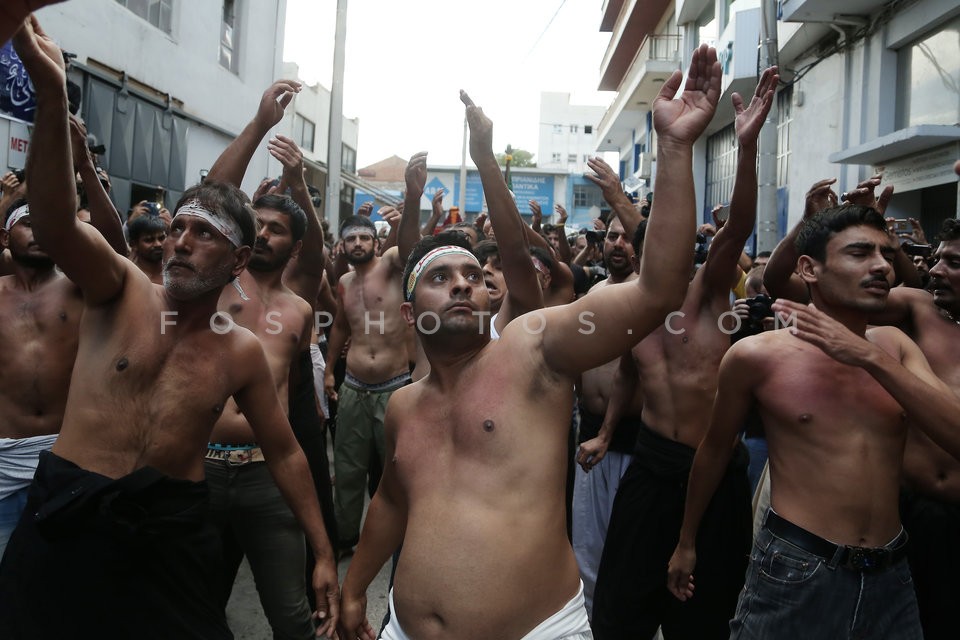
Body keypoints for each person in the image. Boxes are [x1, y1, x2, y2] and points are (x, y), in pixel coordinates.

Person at [337, 45, 722, 640]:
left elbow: (658, 288)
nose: (464, 283)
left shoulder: (533, 348)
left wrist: (673, 149)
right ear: (411, 315)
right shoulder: (403, 405)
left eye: (471, 274)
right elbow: (390, 500)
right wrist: (356, 585)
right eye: (441, 277)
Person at [0, 17, 339, 639]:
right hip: (70, 506)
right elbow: (53, 223)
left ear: (238, 260)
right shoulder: (121, 289)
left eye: (204, 234)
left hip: (169, 526)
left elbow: (287, 449)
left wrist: (321, 549)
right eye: (178, 228)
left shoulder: (239, 352)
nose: (181, 241)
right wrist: (53, 101)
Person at [667, 203, 960, 639]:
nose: (882, 266)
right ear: (809, 269)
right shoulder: (756, 356)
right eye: (860, 253)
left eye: (885, 253)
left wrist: (869, 357)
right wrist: (686, 541)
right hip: (795, 571)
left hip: (892, 575)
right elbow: (714, 449)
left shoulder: (894, 346)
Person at [590, 66, 777, 640]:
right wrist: (605, 432)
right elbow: (627, 375)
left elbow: (738, 225)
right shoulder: (630, 312)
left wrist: (745, 149)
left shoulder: (708, 293)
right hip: (650, 468)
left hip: (713, 477)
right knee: (620, 609)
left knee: (706, 615)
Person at [195, 77, 335, 638]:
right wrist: (258, 126)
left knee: (292, 616)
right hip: (199, 466)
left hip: (266, 475)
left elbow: (320, 249)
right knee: (193, 605)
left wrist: (299, 181)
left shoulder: (298, 306)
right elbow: (210, 200)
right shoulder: (215, 284)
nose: (267, 233)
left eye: (280, 229)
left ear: (294, 247)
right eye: (260, 224)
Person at [324, 155, 420, 554]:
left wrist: (412, 197)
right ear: (343, 246)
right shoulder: (344, 281)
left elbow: (413, 245)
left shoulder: (394, 264)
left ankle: (403, 537)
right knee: (346, 469)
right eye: (352, 239)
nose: (359, 244)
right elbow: (342, 328)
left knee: (397, 469)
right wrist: (329, 371)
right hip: (353, 387)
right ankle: (346, 537)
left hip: (395, 388)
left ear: (376, 242)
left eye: (365, 237)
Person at [572, 218, 646, 617]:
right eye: (611, 236)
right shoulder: (594, 294)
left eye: (627, 237)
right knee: (587, 548)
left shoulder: (650, 296)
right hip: (590, 436)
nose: (617, 244)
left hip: (635, 440)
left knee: (631, 552)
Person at [127, 213, 167, 284]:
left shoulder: (176, 272)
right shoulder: (128, 276)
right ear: (134, 244)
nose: (158, 244)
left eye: (161, 238)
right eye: (149, 240)